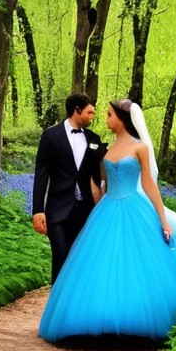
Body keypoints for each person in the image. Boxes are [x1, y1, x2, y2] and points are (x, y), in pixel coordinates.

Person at [38, 98, 176, 341]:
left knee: (136, 263)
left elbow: (148, 184)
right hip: (107, 209)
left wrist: (162, 218)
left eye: (109, 115)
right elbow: (99, 181)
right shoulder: (108, 147)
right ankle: (101, 318)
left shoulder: (140, 148)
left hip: (134, 207)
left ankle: (136, 319)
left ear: (122, 119)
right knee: (101, 264)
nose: (105, 119)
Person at [32, 93, 104, 283]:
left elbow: (104, 171)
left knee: (80, 260)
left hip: (84, 211)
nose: (92, 116)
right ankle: (57, 306)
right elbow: (41, 174)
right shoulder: (51, 136)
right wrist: (38, 210)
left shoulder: (94, 138)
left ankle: (75, 307)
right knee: (61, 255)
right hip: (57, 210)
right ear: (77, 110)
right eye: (89, 112)